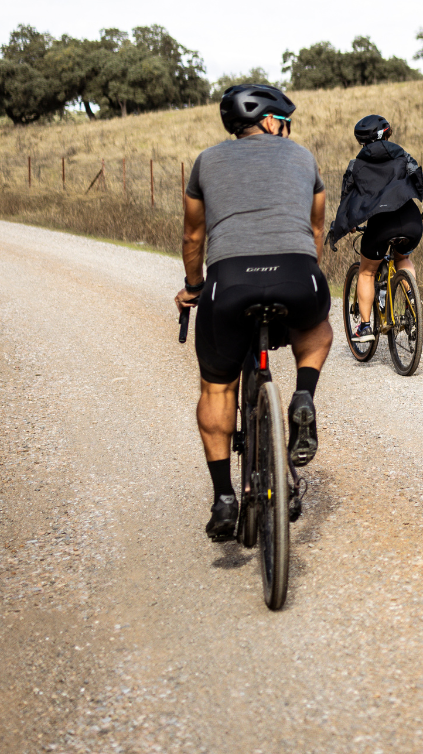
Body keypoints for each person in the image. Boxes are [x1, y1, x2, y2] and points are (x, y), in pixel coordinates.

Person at [176, 83, 332, 543]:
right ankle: (303, 396)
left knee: (216, 387)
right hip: (297, 274)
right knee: (316, 330)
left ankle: (224, 497)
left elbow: (192, 237)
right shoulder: (302, 156)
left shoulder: (206, 161)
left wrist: (193, 288)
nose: (287, 129)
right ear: (268, 120)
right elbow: (316, 226)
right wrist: (297, 277)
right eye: (283, 120)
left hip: (229, 283)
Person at [326, 114, 423, 341]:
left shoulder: (355, 166)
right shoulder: (403, 156)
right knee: (403, 259)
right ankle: (413, 306)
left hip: (380, 226)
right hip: (411, 221)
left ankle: (366, 327)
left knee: (367, 271)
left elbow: (346, 199)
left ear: (363, 141)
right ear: (386, 134)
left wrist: (345, 225)